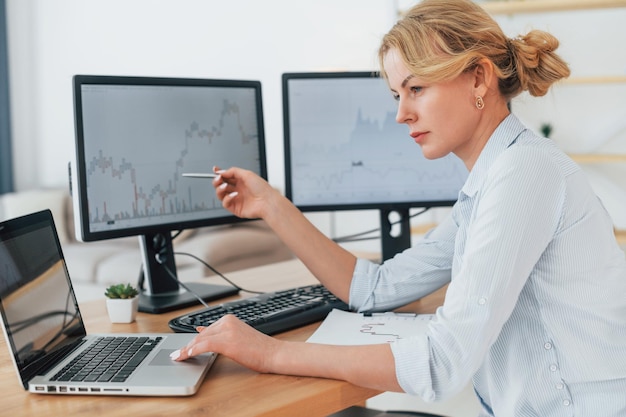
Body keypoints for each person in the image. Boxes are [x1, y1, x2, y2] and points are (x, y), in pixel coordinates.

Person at [170, 0, 626, 415]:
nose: (401, 113)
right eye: (396, 95)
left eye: (417, 88)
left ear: (479, 78)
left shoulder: (525, 175)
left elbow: (442, 362)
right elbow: (376, 289)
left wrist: (271, 354)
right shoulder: (493, 180)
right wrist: (270, 204)